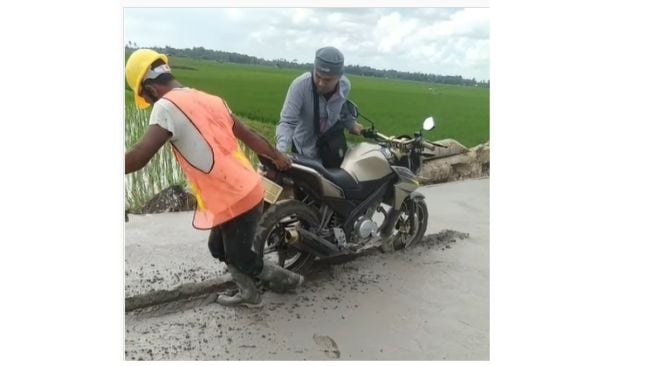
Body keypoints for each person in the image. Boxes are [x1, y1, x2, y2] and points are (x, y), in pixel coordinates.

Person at [125, 48, 304, 308]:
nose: (150, 103)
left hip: (235, 197)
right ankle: (248, 292)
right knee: (218, 248)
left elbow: (140, 155)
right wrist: (276, 156)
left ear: (149, 90)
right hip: (243, 189)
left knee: (241, 257)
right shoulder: (210, 99)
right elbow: (251, 134)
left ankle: (289, 282)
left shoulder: (165, 107)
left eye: (146, 98)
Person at [276, 46, 365, 168]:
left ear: (339, 77)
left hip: (331, 148)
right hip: (304, 150)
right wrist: (281, 151)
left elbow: (342, 109)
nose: (321, 83)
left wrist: (351, 124)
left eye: (328, 80)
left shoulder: (345, 86)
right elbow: (287, 122)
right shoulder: (300, 86)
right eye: (317, 76)